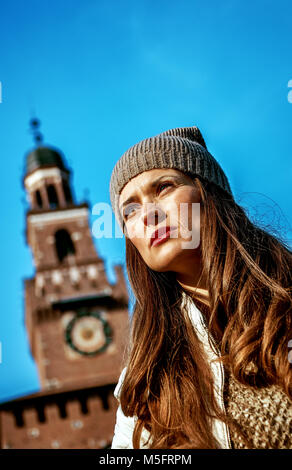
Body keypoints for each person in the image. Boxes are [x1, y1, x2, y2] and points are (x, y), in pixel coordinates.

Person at [109, 125, 292, 449]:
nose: (148, 215)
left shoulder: (286, 300)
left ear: (209, 193)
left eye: (164, 187)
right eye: (130, 211)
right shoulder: (144, 382)